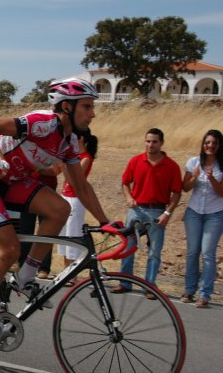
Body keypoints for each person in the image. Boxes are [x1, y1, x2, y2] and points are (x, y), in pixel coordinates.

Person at [0, 78, 111, 363]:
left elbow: (81, 187)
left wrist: (106, 221)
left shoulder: (67, 143)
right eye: (87, 106)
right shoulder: (44, 123)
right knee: (8, 249)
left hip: (12, 181)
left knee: (60, 209)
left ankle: (25, 276)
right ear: (67, 106)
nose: (93, 113)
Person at [111, 128, 182, 299]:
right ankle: (124, 282)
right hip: (136, 210)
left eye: (155, 141)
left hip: (157, 211)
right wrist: (129, 197)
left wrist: (167, 213)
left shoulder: (171, 166)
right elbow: (125, 182)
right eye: (148, 141)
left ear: (161, 143)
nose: (151, 145)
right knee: (128, 247)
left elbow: (177, 192)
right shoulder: (136, 161)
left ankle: (150, 286)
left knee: (154, 251)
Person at [180, 129, 223, 308]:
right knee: (192, 252)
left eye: (214, 143)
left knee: (207, 253)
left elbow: (221, 192)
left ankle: (204, 294)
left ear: (219, 146)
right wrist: (196, 176)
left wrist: (212, 177)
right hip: (194, 212)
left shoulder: (221, 166)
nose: (210, 146)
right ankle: (189, 290)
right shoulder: (193, 162)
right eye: (207, 142)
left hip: (215, 213)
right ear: (203, 144)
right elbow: (185, 188)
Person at [57, 132, 98, 286]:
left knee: (73, 234)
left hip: (76, 199)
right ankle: (66, 270)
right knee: (64, 234)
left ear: (81, 139)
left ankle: (72, 274)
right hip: (65, 196)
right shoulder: (73, 155)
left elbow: (74, 180)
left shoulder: (86, 158)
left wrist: (64, 165)